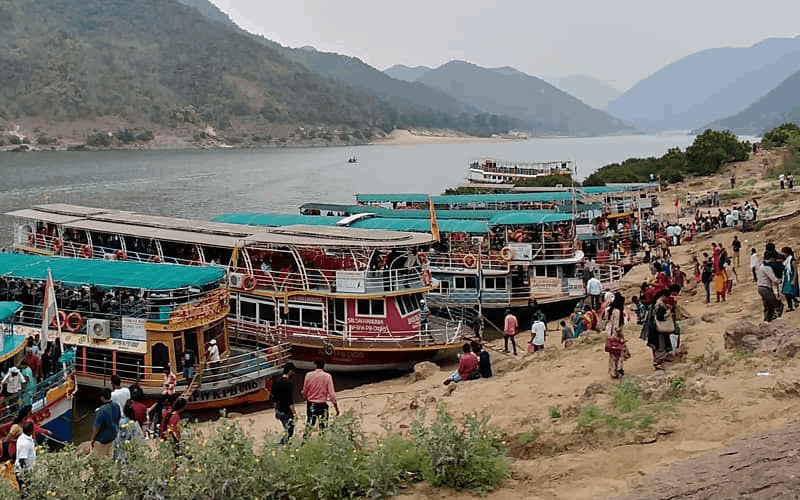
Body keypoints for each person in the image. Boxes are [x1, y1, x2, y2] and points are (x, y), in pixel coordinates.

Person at [301, 358, 339, 430]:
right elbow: (332, 394)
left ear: (315, 365)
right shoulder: (327, 376)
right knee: (323, 427)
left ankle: (305, 440)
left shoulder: (308, 375)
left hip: (311, 403)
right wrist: (336, 407)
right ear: (323, 366)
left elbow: (304, 391)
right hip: (322, 404)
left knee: (309, 425)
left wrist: (305, 398)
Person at [91, 388, 121, 458]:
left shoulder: (101, 411)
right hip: (113, 436)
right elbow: (118, 419)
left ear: (102, 397)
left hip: (102, 439)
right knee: (109, 457)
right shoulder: (116, 406)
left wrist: (92, 439)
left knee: (98, 459)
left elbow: (96, 427)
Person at [271, 362, 296, 444]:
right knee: (289, 430)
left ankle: (285, 443)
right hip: (286, 411)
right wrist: (294, 413)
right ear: (290, 371)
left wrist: (276, 411)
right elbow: (290, 400)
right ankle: (282, 444)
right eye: (292, 371)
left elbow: (274, 398)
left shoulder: (277, 381)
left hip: (279, 410)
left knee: (287, 429)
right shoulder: (289, 383)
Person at [606, 293, 626, 379]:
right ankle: (618, 369)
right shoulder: (617, 311)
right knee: (619, 354)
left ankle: (612, 371)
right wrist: (622, 337)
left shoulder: (610, 310)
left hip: (609, 334)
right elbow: (617, 326)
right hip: (615, 334)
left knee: (612, 354)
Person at [757, 256, 783, 322]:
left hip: (760, 287)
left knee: (767, 305)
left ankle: (766, 319)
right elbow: (773, 279)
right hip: (766, 288)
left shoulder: (761, 266)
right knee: (776, 304)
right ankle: (775, 319)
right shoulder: (767, 268)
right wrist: (780, 281)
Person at [14, 421, 36, 491]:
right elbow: (22, 460)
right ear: (31, 430)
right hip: (23, 470)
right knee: (26, 490)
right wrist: (25, 474)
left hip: (28, 468)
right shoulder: (24, 443)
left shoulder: (26, 437)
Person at [782, 247, 800, 311]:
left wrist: (794, 280)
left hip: (791, 278)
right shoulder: (786, 260)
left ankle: (794, 302)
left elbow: (795, 271)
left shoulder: (793, 261)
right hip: (787, 278)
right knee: (786, 292)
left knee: (789, 292)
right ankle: (792, 305)